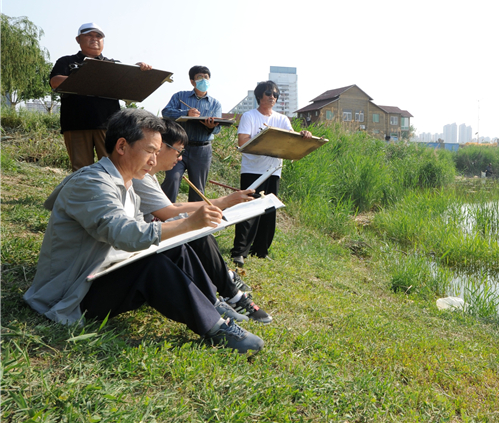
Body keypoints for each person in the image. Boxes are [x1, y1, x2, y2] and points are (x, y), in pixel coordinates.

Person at [23, 109, 264, 354]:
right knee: (153, 267)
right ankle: (215, 328)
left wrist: (187, 225)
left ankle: (212, 305)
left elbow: (144, 231)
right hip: (71, 294)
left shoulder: (126, 184)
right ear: (121, 146)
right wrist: (188, 223)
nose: (153, 160)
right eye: (149, 151)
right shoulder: (91, 184)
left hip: (100, 273)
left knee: (175, 249)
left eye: (157, 153)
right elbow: (126, 234)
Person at [131, 119, 272, 323]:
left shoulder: (148, 176)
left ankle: (223, 282)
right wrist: (222, 202)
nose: (180, 159)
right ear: (160, 147)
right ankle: (232, 294)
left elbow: (173, 208)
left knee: (198, 230)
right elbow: (170, 212)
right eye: (179, 151)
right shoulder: (140, 177)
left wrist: (222, 202)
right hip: (140, 244)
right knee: (196, 233)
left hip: (147, 237)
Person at [49, 22, 153, 171]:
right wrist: (89, 78)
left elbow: (128, 85)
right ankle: (84, 195)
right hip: (76, 123)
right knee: (81, 169)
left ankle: (112, 194)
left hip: (109, 125)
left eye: (98, 36)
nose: (94, 39)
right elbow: (55, 82)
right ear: (78, 39)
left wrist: (137, 71)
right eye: (89, 35)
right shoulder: (67, 61)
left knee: (114, 167)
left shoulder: (111, 65)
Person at [230, 81, 312, 267]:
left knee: (269, 211)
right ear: (259, 95)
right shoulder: (249, 116)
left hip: (274, 170)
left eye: (275, 94)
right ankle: (239, 251)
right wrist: (266, 138)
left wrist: (304, 134)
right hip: (253, 170)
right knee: (248, 210)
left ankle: (261, 250)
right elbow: (243, 141)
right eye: (268, 93)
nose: (272, 97)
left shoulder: (282, 119)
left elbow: (291, 139)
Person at [160, 66, 222, 203]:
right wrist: (185, 113)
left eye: (206, 77)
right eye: (200, 77)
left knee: (198, 188)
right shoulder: (179, 96)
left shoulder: (215, 104)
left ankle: (195, 219)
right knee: (172, 178)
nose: (203, 80)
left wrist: (211, 127)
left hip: (202, 149)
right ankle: (163, 214)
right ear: (192, 81)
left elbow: (218, 129)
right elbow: (166, 113)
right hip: (179, 147)